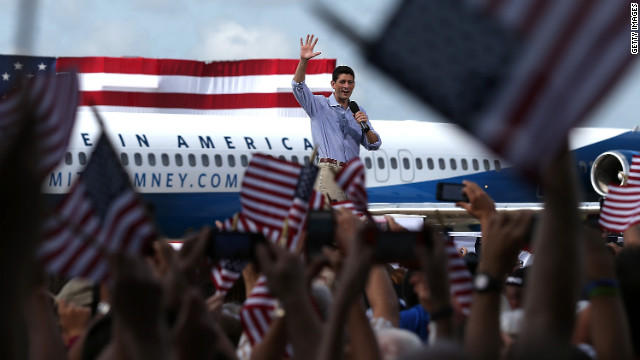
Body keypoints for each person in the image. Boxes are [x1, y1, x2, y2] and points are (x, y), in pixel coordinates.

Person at [292, 34, 381, 202]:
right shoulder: (319, 105)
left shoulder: (358, 111)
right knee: (334, 222)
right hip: (330, 171)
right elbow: (298, 87)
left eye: (350, 82)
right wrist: (304, 61)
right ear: (333, 84)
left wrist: (365, 126)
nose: (346, 86)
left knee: (352, 223)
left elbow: (374, 144)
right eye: (342, 82)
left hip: (352, 176)